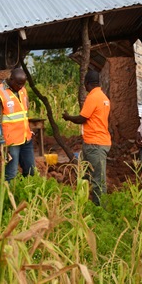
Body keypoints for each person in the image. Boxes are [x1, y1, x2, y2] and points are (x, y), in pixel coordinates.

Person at [62, 70, 112, 206]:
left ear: (86, 83)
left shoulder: (93, 97)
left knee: (97, 180)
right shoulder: (104, 98)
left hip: (95, 144)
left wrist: (68, 118)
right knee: (85, 175)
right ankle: (84, 204)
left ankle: (100, 210)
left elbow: (82, 118)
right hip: (98, 142)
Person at [0, 68, 35, 182]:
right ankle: (8, 197)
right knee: (11, 173)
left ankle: (27, 196)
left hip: (26, 138)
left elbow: (24, 113)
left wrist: (28, 130)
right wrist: (2, 143)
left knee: (30, 171)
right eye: (19, 84)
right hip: (10, 142)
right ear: (11, 80)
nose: (21, 86)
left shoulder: (23, 90)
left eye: (23, 84)